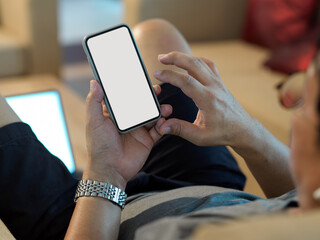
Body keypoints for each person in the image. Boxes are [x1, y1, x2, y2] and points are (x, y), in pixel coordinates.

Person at [0, 19, 319, 240]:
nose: (293, 103)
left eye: (300, 100)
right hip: (215, 191)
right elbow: (301, 196)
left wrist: (106, 174)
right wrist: (244, 130)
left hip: (93, 220)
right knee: (156, 33)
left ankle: (85, 177)